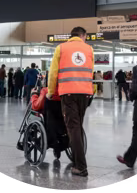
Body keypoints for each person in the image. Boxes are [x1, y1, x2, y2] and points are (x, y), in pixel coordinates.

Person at [47, 26, 94, 177]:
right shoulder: (89, 49)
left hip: (68, 93)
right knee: (77, 126)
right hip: (85, 93)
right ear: (83, 35)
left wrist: (50, 92)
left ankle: (80, 166)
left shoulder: (61, 48)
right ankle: (76, 160)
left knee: (73, 127)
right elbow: (90, 71)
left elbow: (53, 73)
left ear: (72, 35)